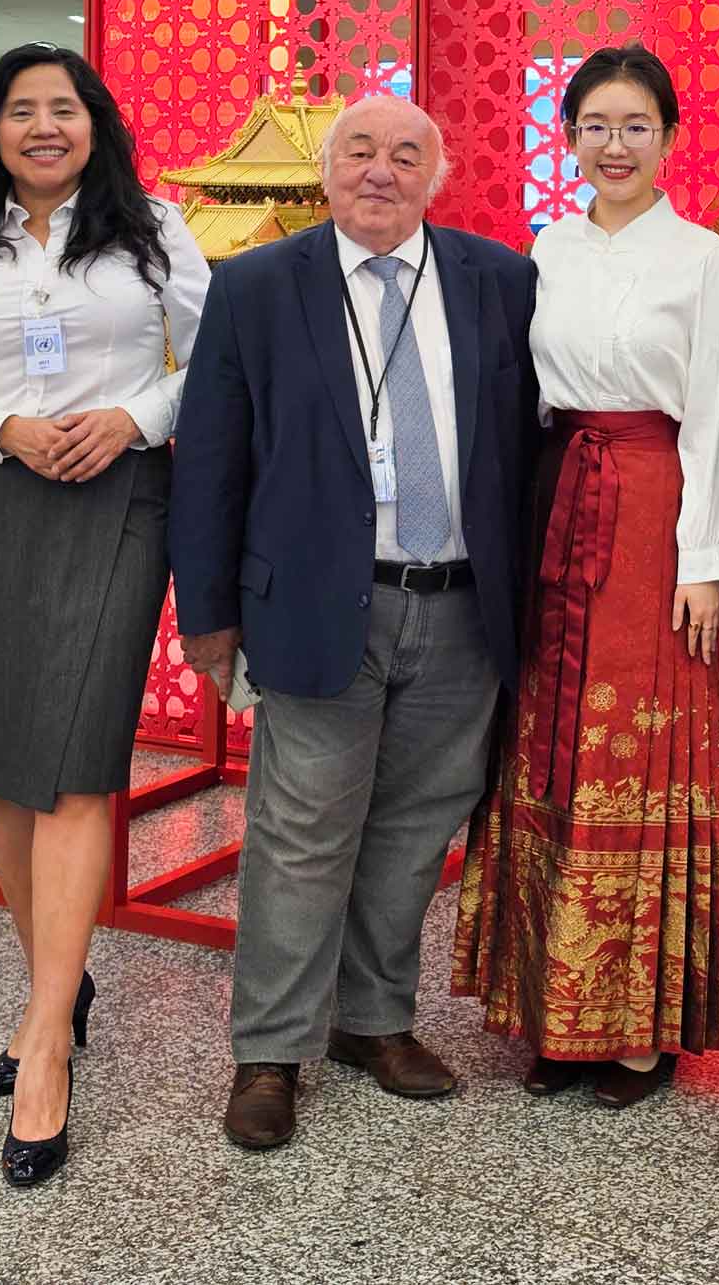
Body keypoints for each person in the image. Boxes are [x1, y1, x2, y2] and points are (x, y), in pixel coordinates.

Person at [170, 96, 539, 1153]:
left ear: (441, 169)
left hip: (463, 603)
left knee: (418, 827)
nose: (380, 170)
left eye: (405, 152)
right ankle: (269, 1048)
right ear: (325, 173)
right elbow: (210, 458)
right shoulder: (254, 286)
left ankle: (373, 1020)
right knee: (299, 835)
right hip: (320, 599)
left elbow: (523, 444)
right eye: (360, 151)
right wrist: (208, 613)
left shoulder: (498, 281)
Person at [0, 43, 208, 1187]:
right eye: (19, 111)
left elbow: (215, 369)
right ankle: (53, 988)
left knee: (69, 764)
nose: (42, 127)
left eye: (61, 108)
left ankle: (47, 1049)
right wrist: (0, 430)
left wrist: (130, 416)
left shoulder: (153, 227)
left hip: (116, 499)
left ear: (94, 122)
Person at [451, 44, 719, 1106]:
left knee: (641, 753)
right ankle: (556, 1008)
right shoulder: (548, 248)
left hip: (652, 513)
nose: (614, 145)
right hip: (558, 506)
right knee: (548, 747)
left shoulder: (699, 259)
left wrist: (699, 558)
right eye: (594, 125)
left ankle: (639, 1028)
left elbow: (715, 416)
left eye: (635, 125)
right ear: (569, 136)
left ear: (669, 138)